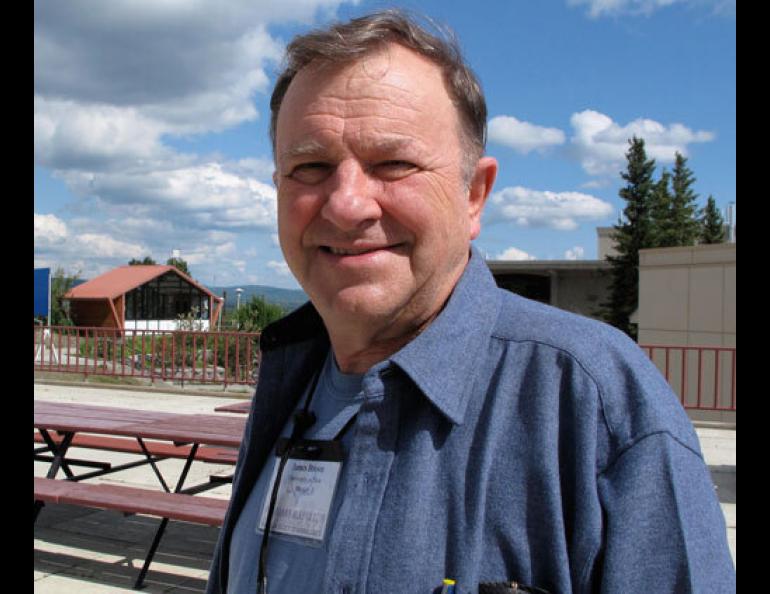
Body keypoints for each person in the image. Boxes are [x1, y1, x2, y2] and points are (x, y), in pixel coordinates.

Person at [207, 10, 735, 594]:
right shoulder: (292, 375)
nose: (345, 204)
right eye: (310, 167)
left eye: (394, 164)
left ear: (474, 196)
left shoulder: (592, 404)